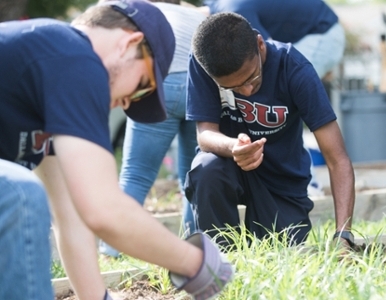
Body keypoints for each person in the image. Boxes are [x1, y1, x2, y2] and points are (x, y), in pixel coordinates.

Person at [0, 1, 233, 300]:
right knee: (21, 196)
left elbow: (71, 217)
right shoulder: (73, 54)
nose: (126, 104)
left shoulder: (52, 80)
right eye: (141, 88)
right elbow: (105, 210)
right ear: (129, 43)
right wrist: (198, 263)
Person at [184, 12, 355, 249]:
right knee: (206, 169)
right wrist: (233, 146)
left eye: (251, 78)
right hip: (227, 167)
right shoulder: (204, 61)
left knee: (283, 258)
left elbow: (338, 159)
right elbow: (205, 135)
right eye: (230, 87)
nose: (246, 91)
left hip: (281, 179)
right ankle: (220, 261)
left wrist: (343, 234)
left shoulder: (295, 70)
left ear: (260, 45)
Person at [98, 0, 207, 258]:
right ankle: (194, 245)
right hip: (199, 89)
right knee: (192, 178)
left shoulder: (141, 12)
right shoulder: (193, 15)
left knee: (136, 175)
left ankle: (111, 250)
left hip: (161, 86)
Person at [202, 0, 345, 80]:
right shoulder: (214, 3)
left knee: (285, 86)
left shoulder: (234, 10)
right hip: (306, 34)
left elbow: (269, 51)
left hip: (323, 34)